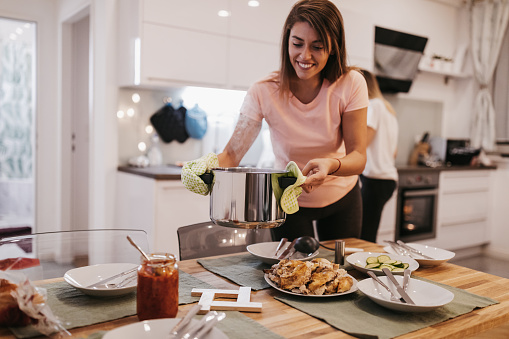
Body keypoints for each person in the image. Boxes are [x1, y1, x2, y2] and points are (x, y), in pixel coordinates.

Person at [217, 0, 369, 241]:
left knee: (342, 274)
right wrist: (202, 167)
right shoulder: (263, 91)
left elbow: (358, 157)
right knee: (291, 275)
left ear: (333, 48)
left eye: (317, 47)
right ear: (287, 39)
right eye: (297, 43)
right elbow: (231, 155)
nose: (304, 55)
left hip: (343, 198)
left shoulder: (351, 83)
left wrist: (330, 165)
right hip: (289, 200)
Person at [359, 69, 399, 243]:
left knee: (365, 236)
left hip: (374, 180)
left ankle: (367, 269)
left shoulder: (373, 106)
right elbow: (394, 152)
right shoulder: (389, 110)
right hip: (387, 179)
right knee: (367, 231)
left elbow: (361, 145)